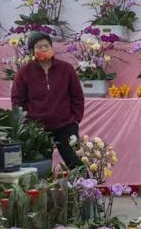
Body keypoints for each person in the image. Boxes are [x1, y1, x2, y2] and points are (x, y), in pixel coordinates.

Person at [11, 31, 85, 168]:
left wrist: (75, 119)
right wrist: (27, 124)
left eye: (46, 46)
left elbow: (77, 97)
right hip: (37, 129)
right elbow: (17, 100)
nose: (44, 49)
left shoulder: (66, 69)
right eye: (39, 47)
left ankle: (85, 188)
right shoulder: (24, 72)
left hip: (66, 125)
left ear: (51, 47)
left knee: (76, 163)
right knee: (42, 166)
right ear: (32, 51)